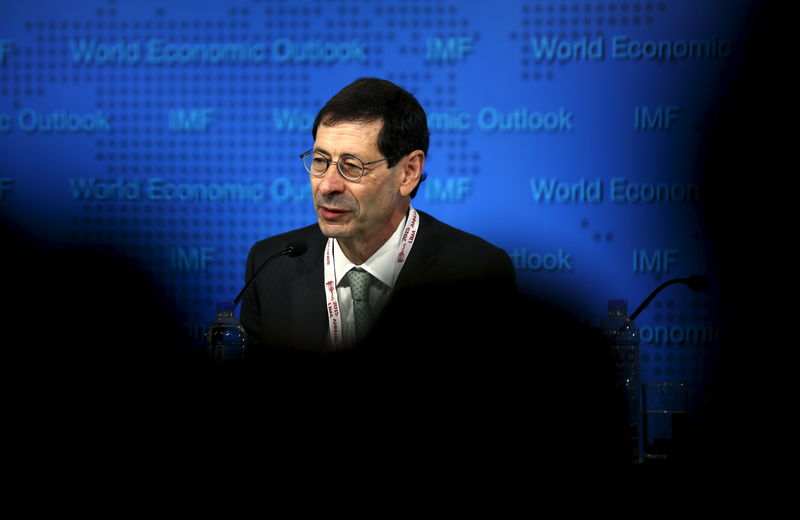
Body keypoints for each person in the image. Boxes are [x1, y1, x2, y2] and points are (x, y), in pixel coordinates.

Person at [239, 77, 516, 364]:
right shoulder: (271, 265)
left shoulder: (476, 274)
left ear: (408, 172)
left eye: (351, 166)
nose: (327, 185)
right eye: (320, 161)